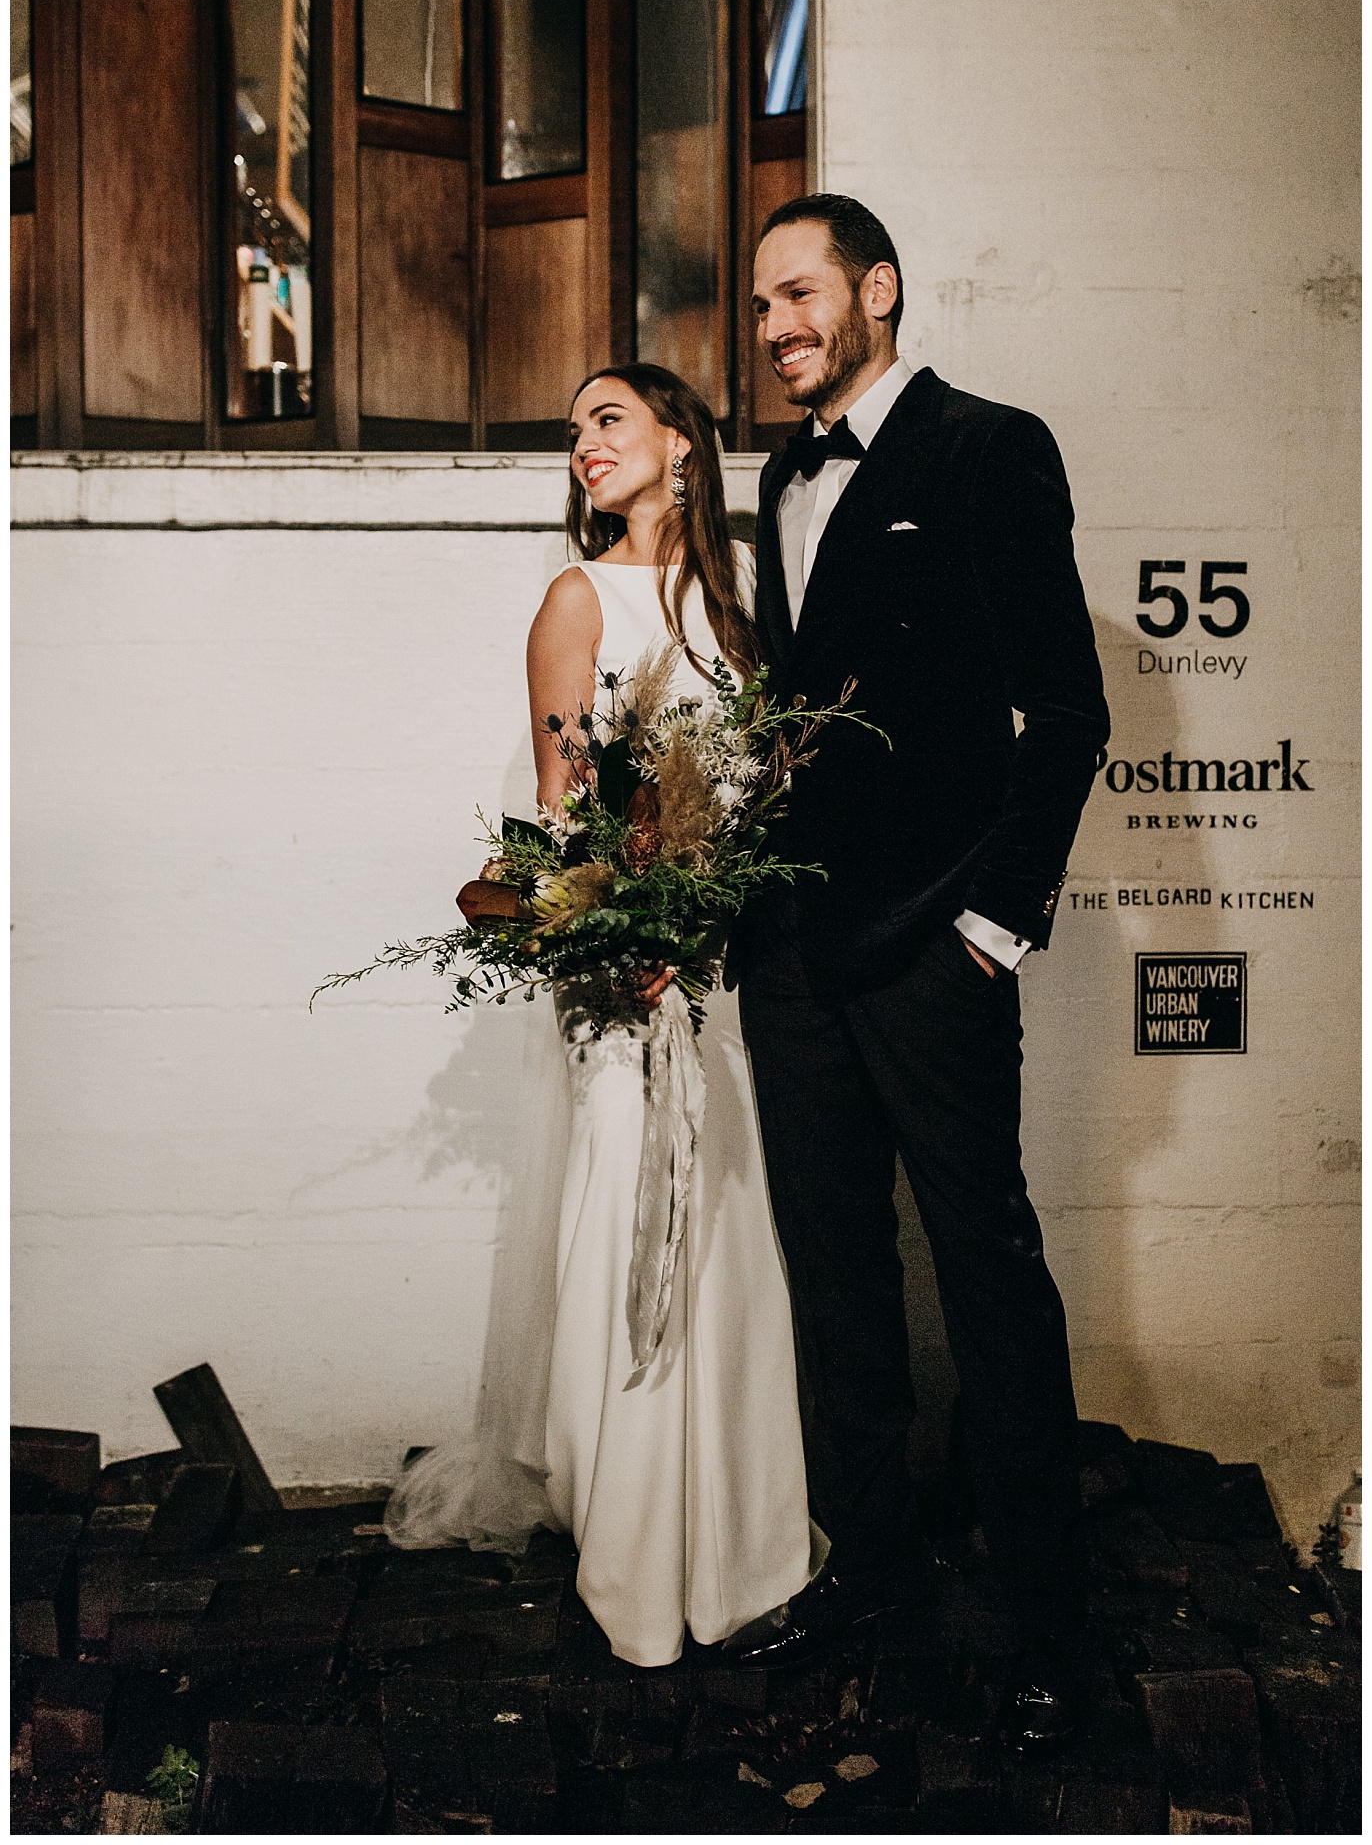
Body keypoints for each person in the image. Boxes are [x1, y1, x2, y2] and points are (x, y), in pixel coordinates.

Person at [723, 193, 1110, 1754]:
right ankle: (867, 1566)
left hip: (936, 953)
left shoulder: (989, 445)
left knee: (990, 1283)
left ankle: (1048, 1635)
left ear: (878, 291)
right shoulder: (777, 478)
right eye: (759, 306)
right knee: (836, 1279)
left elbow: (1067, 713)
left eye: (799, 293)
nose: (774, 326)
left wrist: (992, 928)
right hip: (799, 958)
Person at [386, 361, 820, 1669]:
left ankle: (744, 1557)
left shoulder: (748, 613)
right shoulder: (578, 599)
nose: (583, 443)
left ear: (683, 440)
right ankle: (636, 1568)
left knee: (728, 1245)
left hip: (722, 987)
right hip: (626, 986)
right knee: (638, 1231)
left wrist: (718, 919)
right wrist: (637, 927)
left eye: (609, 419)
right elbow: (569, 798)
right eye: (573, 428)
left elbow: (772, 796)